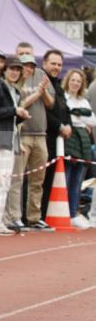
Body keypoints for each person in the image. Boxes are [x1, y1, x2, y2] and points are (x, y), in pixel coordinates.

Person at [0, 56, 29, 235]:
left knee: (4, 183)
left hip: (8, 140)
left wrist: (19, 115)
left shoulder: (13, 90)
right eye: (12, 68)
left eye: (18, 69)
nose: (15, 72)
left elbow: (7, 117)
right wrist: (14, 111)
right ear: (4, 69)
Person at [17, 53, 55, 230]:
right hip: (23, 133)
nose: (29, 69)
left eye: (31, 66)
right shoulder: (16, 79)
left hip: (41, 134)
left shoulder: (41, 75)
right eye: (26, 65)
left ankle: (34, 217)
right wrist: (37, 94)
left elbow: (50, 103)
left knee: (37, 179)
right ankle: (16, 217)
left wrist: (44, 91)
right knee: (18, 178)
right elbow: (20, 105)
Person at [41, 50, 72, 222]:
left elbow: (64, 110)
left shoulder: (58, 86)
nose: (56, 67)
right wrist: (60, 126)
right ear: (44, 63)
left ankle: (45, 216)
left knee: (52, 180)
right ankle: (37, 216)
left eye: (59, 64)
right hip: (45, 138)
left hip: (58, 141)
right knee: (42, 180)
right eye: (53, 63)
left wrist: (69, 126)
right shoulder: (41, 82)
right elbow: (44, 112)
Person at [62, 69, 95, 229]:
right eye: (73, 80)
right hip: (69, 139)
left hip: (83, 142)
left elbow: (93, 120)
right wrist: (80, 118)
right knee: (66, 179)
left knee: (78, 181)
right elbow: (66, 117)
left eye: (78, 81)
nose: (75, 83)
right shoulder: (63, 97)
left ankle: (74, 213)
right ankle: (64, 213)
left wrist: (78, 116)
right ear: (68, 80)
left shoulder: (84, 100)